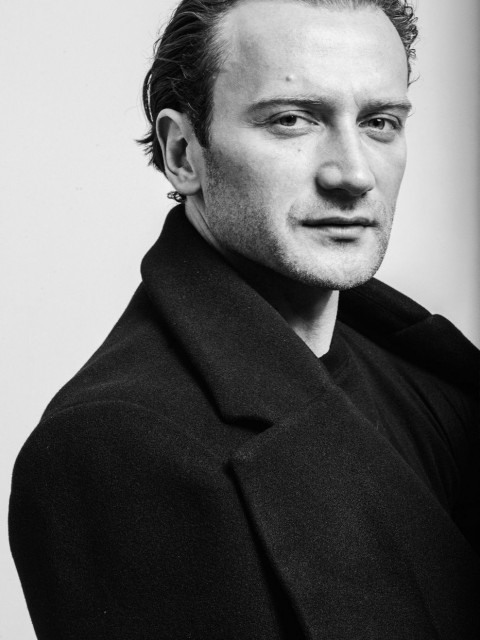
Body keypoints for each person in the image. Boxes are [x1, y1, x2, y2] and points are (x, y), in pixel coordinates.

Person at [9, 0, 480, 638]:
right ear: (183, 153)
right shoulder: (115, 447)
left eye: (380, 122)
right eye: (292, 120)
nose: (354, 174)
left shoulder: (423, 371)